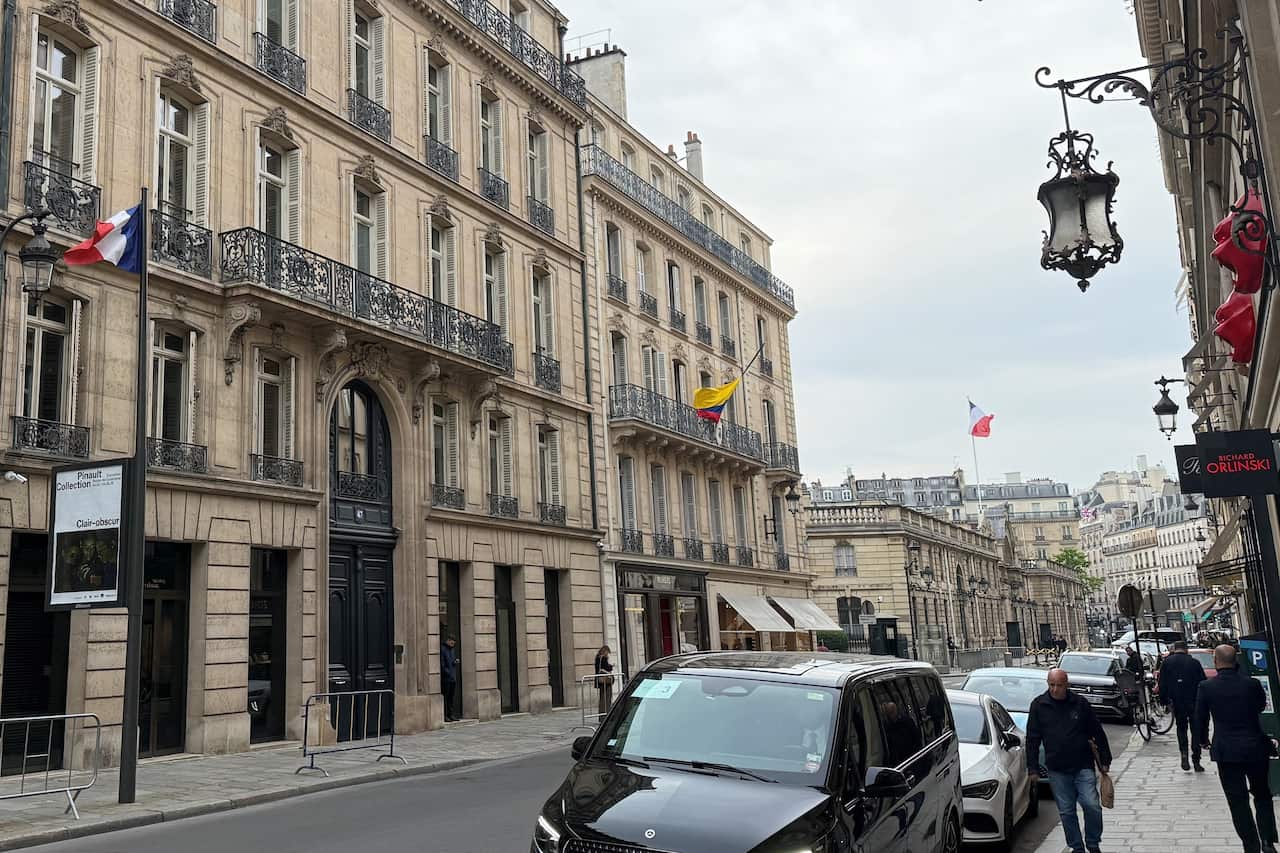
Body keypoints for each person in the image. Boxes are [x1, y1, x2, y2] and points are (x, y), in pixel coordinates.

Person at [1196, 644, 1278, 853]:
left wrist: (1203, 740)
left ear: (1216, 662)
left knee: (1237, 800)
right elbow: (1260, 706)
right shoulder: (1251, 684)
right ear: (1236, 661)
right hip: (1255, 746)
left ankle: (1251, 845)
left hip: (1226, 750)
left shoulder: (1207, 687)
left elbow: (1201, 718)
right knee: (1262, 794)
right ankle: (1268, 841)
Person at [1025, 668, 1111, 853]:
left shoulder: (1080, 704)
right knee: (1067, 811)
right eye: (1052, 685)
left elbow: (1097, 730)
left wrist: (1105, 758)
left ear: (1067, 685)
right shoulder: (1039, 706)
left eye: (1059, 685)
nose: (1055, 689)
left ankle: (1093, 843)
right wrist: (1032, 769)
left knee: (1092, 805)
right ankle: (1076, 847)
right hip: (1057, 768)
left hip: (1082, 765)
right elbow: (1032, 738)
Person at [1159, 640, 1207, 772]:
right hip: (1193, 701)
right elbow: (1202, 682)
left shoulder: (1167, 663)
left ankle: (1184, 754)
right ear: (1186, 649)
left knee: (1181, 728)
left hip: (1176, 701)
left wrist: (1164, 701)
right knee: (1195, 729)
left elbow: (1162, 683)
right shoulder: (1194, 663)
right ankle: (1196, 758)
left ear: (1174, 649)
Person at [440, 636, 459, 722]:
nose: (452, 644)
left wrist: (455, 662)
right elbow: (442, 664)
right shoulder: (443, 649)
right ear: (448, 641)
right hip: (446, 678)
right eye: (451, 643)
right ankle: (444, 715)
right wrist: (447, 673)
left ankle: (450, 714)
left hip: (452, 677)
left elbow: (451, 662)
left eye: (454, 643)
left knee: (451, 697)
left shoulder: (452, 650)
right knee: (446, 697)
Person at [593, 645, 614, 716]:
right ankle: (606, 714)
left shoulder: (598, 658)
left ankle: (601, 715)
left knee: (602, 698)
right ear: (605, 651)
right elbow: (606, 668)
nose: (608, 654)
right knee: (607, 698)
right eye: (607, 652)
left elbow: (598, 668)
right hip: (605, 681)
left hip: (600, 680)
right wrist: (611, 667)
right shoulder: (604, 658)